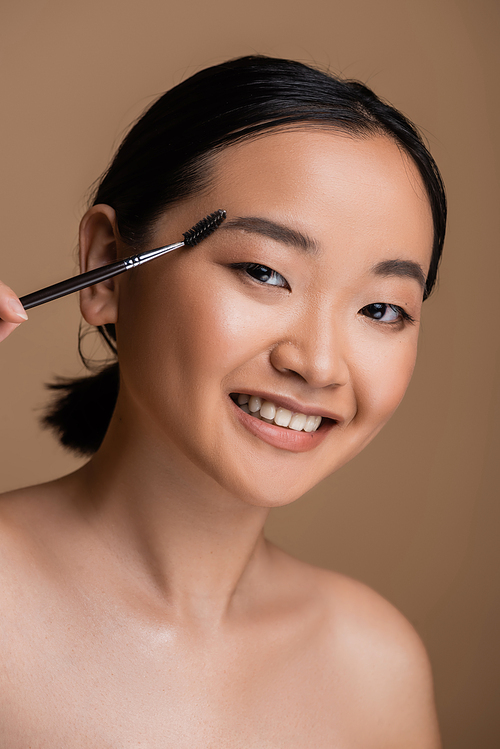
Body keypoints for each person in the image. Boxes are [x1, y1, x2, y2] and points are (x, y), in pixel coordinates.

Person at [0, 55, 446, 746]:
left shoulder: (376, 664)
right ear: (104, 267)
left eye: (383, 309)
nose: (319, 363)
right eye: (265, 271)